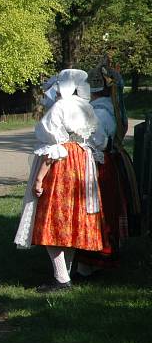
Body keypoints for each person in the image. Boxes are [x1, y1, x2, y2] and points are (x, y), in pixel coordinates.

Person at [14, 69, 107, 293]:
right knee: (72, 220)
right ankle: (64, 274)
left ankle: (62, 279)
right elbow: (99, 140)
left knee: (53, 219)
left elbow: (53, 148)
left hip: (63, 165)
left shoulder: (60, 107)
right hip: (83, 163)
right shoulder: (86, 106)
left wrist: (38, 179)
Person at [76, 60, 138, 275]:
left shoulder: (100, 112)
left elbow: (96, 141)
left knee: (98, 210)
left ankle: (91, 264)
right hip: (110, 161)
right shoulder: (108, 108)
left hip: (100, 165)